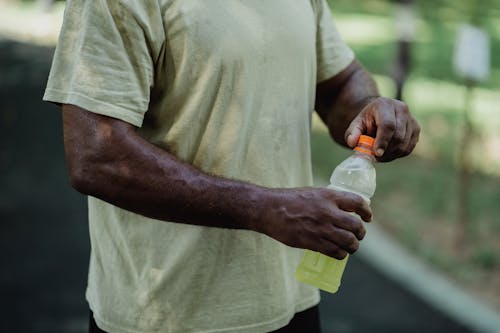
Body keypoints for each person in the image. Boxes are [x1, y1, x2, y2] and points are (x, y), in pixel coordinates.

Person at [43, 1, 420, 332]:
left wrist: (369, 107)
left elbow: (340, 84)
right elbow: (96, 156)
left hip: (290, 304)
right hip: (167, 316)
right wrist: (263, 208)